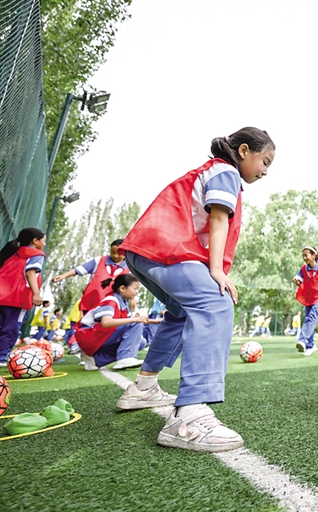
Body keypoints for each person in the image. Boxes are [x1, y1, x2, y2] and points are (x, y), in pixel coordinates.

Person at [117, 126, 275, 452]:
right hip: (164, 249)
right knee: (216, 302)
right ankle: (188, 417)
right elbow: (218, 219)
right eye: (265, 161)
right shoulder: (226, 172)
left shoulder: (212, 171)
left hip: (145, 250)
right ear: (244, 151)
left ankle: (143, 387)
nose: (265, 171)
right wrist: (216, 271)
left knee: (179, 311)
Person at [76, 274, 159, 370]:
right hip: (88, 337)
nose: (137, 292)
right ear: (122, 288)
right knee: (136, 322)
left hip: (98, 337)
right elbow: (106, 322)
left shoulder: (122, 303)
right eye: (135, 289)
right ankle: (125, 358)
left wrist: (154, 321)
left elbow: (129, 322)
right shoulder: (111, 301)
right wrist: (136, 319)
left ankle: (96, 360)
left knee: (141, 342)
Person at [0, 228, 46, 363]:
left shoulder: (12, 252)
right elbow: (30, 273)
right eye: (43, 241)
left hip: (2, 294)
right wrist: (36, 293)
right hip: (17, 298)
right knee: (11, 328)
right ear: (35, 241)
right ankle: (1, 357)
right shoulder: (37, 254)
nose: (44, 244)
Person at [53, 239, 130, 314]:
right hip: (92, 300)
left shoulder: (129, 268)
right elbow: (80, 269)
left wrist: (132, 299)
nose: (115, 256)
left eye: (119, 254)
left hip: (112, 304)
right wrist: (63, 276)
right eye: (112, 252)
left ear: (126, 254)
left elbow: (130, 286)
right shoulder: (100, 260)